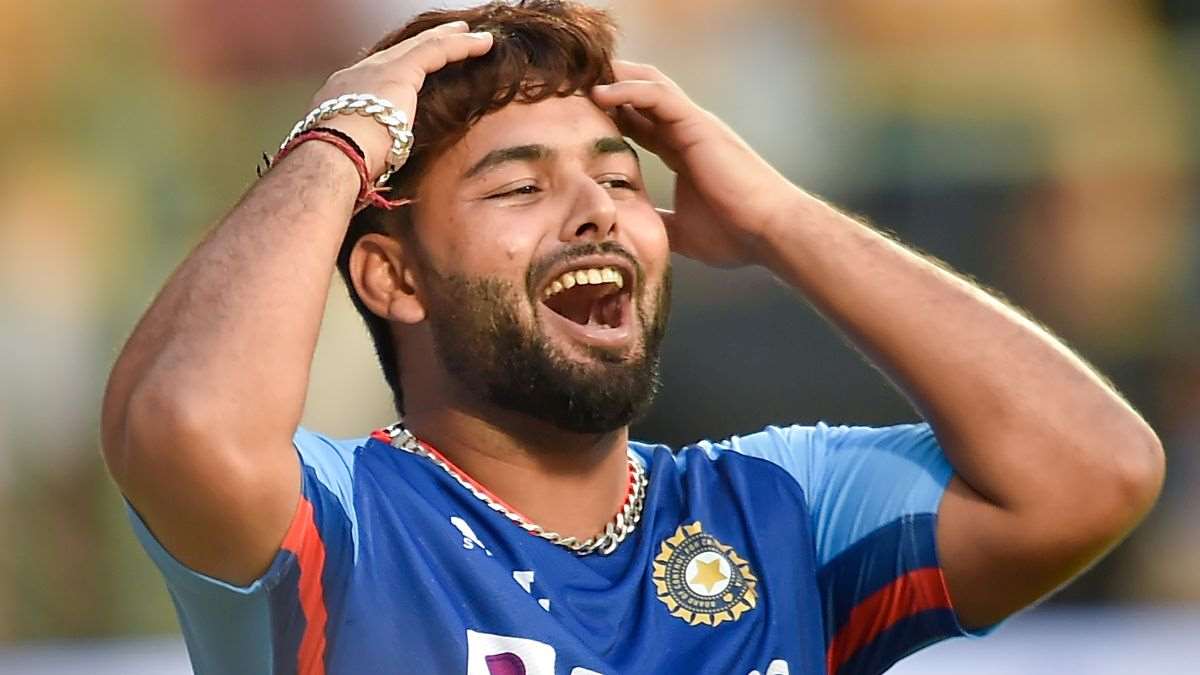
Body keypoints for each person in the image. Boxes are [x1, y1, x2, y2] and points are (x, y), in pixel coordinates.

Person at [99, 1, 1165, 673]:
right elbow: (184, 423)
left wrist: (780, 219)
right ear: (394, 276)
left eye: (618, 179)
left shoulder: (780, 511)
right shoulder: (348, 524)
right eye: (520, 186)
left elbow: (1093, 473)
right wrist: (338, 139)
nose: (596, 213)